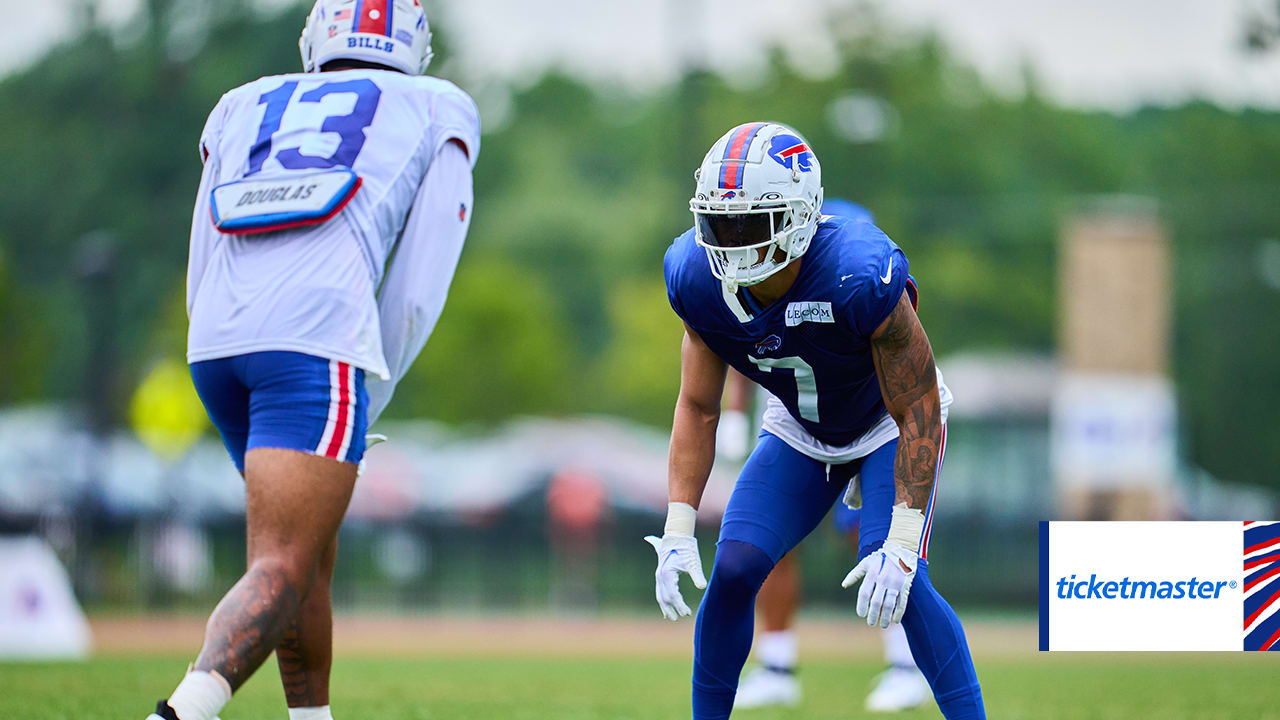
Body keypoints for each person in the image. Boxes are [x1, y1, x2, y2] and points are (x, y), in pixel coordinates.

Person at [148, 2, 479, 719]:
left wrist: (204, 335)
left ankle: (311, 717)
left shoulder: (241, 102)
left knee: (305, 555)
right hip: (314, 338)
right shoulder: (435, 104)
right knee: (285, 563)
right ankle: (180, 711)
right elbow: (420, 283)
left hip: (217, 340)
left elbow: (202, 249)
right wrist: (371, 381)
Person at [645, 122, 985, 720]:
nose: (730, 240)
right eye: (719, 221)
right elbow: (698, 405)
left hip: (888, 423)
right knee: (734, 569)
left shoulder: (858, 272)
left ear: (799, 215)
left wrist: (903, 544)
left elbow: (919, 405)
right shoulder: (695, 278)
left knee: (905, 587)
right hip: (799, 428)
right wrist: (678, 525)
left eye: (750, 221)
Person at [732, 199, 932, 713]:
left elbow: (898, 343)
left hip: (862, 418)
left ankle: (904, 661)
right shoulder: (759, 250)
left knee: (873, 542)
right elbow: (735, 335)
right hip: (790, 415)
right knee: (767, 543)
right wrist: (735, 414)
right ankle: (776, 661)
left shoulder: (855, 259)